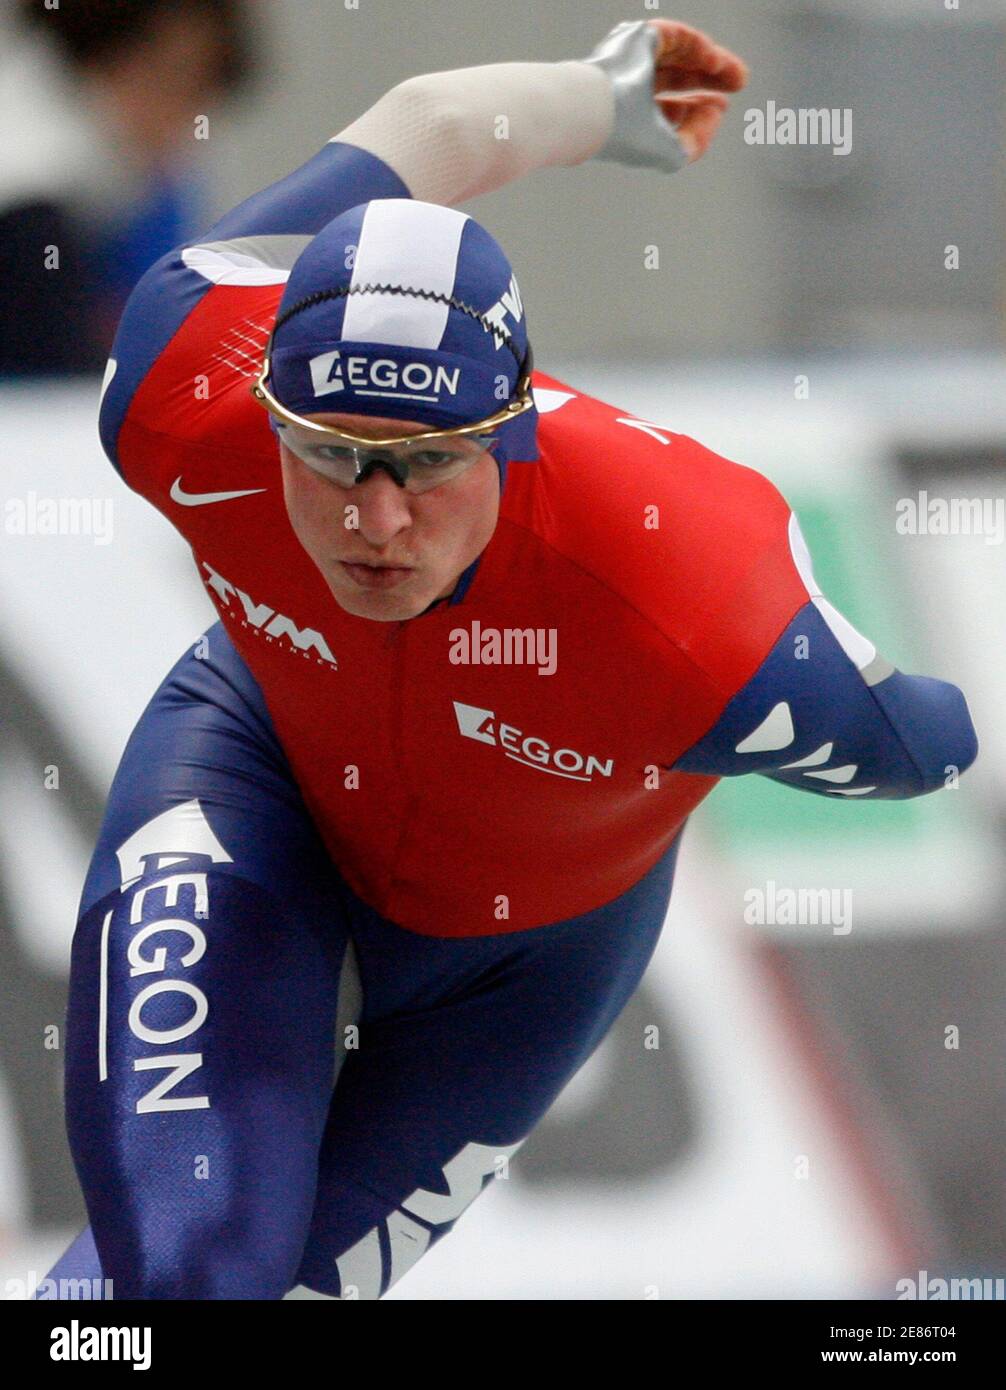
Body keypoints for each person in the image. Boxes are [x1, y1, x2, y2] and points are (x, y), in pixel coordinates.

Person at [42, 19, 977, 1300]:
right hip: (254, 783)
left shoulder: (703, 605)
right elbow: (416, 130)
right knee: (192, 1275)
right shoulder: (177, 381)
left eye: (427, 461)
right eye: (325, 453)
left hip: (520, 965)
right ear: (262, 407)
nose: (375, 518)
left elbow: (933, 739)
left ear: (512, 437)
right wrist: (596, 98)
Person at [0, 0, 256, 375]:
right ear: (106, 61)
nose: (190, 124)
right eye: (176, 83)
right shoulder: (30, 215)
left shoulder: (140, 201)